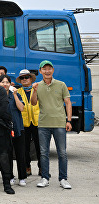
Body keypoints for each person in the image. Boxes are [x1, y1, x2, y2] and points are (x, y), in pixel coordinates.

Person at [30, 60, 72, 189]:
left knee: (62, 153)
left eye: (49, 69)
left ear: (53, 70)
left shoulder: (61, 85)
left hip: (59, 123)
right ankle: (44, 178)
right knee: (43, 153)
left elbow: (68, 102)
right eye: (44, 69)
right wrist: (35, 90)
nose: (47, 71)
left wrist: (68, 120)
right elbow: (33, 103)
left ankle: (63, 179)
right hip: (43, 124)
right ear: (40, 71)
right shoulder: (37, 85)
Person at [0, 75, 27, 186]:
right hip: (4, 129)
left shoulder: (16, 94)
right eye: (2, 82)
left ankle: (22, 177)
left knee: (20, 154)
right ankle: (9, 176)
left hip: (18, 127)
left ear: (11, 84)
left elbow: (22, 108)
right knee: (7, 154)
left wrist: (15, 95)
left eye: (7, 82)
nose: (5, 84)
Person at [15, 69, 40, 177]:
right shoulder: (17, 92)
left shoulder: (38, 90)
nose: (24, 79)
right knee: (24, 148)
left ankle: (42, 168)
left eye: (27, 77)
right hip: (23, 123)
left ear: (31, 78)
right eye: (22, 78)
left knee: (40, 147)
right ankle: (27, 168)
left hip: (37, 122)